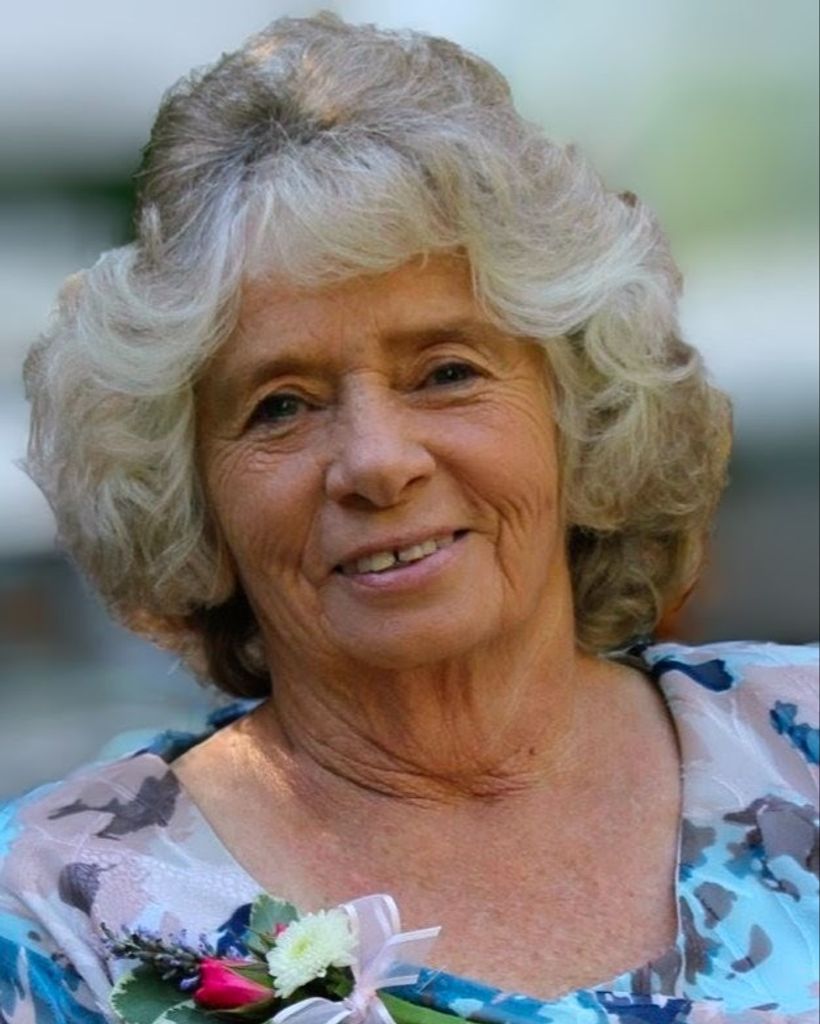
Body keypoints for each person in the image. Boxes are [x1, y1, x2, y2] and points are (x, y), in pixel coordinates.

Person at [1, 13, 817, 1024]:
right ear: (192, 496)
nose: (378, 462)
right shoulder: (62, 918)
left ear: (577, 415)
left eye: (445, 372)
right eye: (281, 406)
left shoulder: (803, 746)